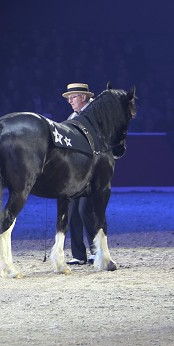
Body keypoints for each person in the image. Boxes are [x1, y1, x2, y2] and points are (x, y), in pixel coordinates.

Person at [63, 82, 97, 265]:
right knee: (72, 212)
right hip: (75, 173)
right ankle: (78, 254)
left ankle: (95, 250)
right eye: (69, 98)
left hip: (90, 171)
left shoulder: (93, 115)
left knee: (86, 210)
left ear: (83, 97)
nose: (69, 101)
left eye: (73, 97)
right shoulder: (72, 116)